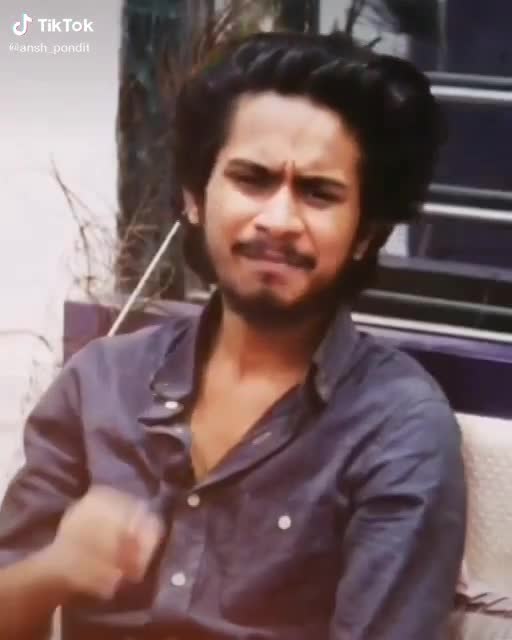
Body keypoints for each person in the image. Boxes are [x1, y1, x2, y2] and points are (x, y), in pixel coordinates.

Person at [0, 31, 466, 640]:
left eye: (318, 193)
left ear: (365, 235)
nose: (279, 219)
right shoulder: (102, 382)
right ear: (195, 199)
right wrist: (55, 571)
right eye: (252, 179)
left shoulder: (397, 427)